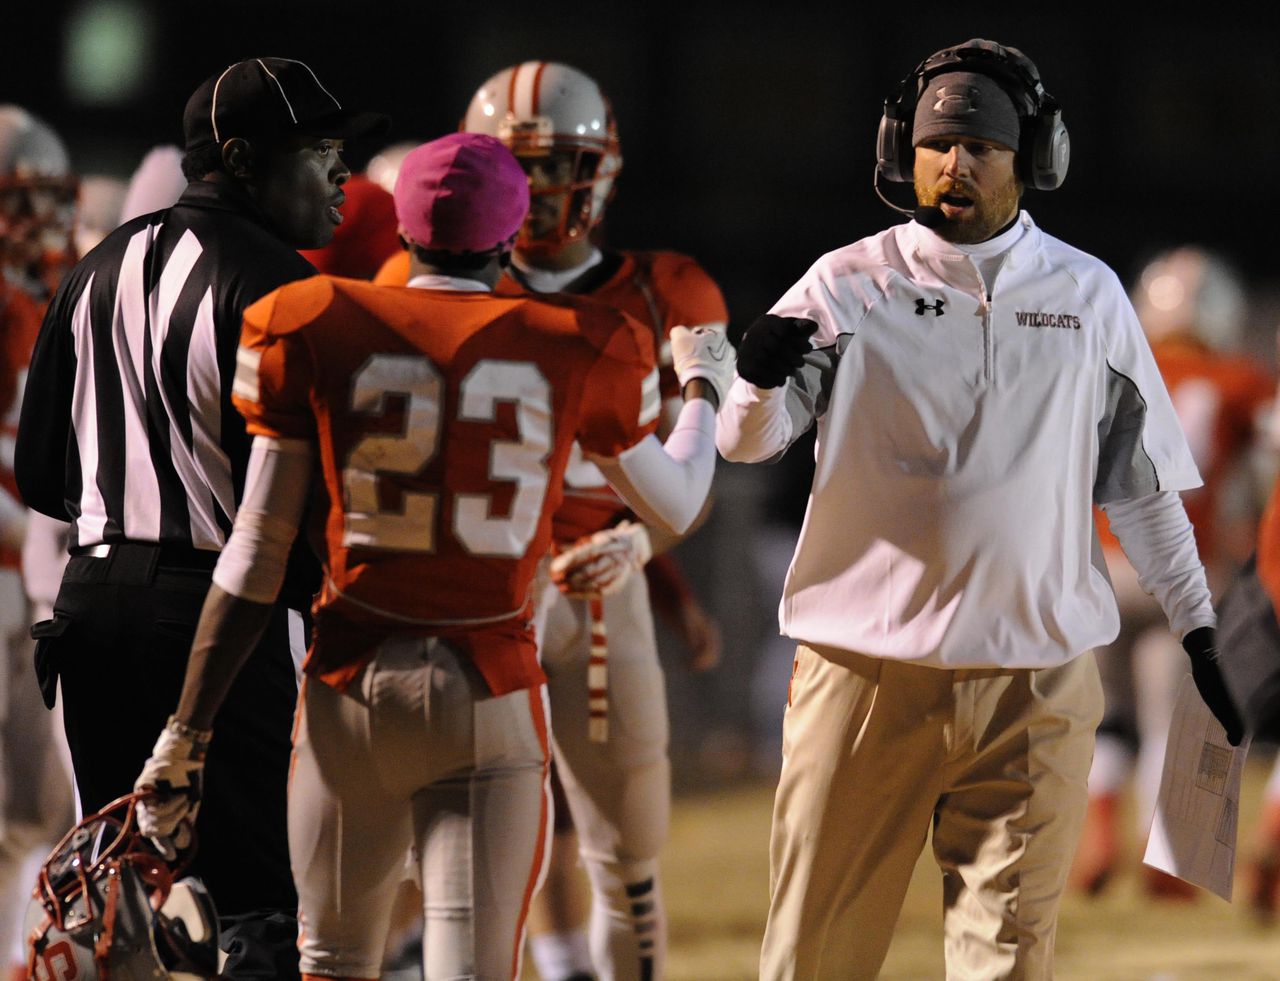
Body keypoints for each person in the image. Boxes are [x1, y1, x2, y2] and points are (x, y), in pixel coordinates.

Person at [130, 131, 734, 981]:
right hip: (490, 687)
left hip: (349, 691)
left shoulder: (313, 320)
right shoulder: (578, 338)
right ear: (509, 232)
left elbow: (256, 550)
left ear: (404, 230)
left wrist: (186, 731)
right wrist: (703, 387)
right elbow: (675, 498)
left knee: (332, 961)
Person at [715, 38, 1243, 979]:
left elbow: (1144, 488)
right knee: (815, 955)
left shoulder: (1090, 295)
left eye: (981, 146)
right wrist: (752, 386)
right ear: (900, 152)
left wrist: (1200, 630)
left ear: (1034, 160)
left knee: (1006, 963)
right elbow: (746, 444)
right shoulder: (846, 281)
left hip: (1035, 684)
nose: (953, 164)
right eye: (934, 144)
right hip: (866, 673)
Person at [14, 57, 387, 978]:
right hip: (224, 615)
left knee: (119, 903)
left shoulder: (96, 267)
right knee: (255, 906)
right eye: (318, 151)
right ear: (240, 158)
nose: (342, 174)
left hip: (92, 605)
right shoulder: (290, 291)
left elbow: (39, 476)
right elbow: (309, 497)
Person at [458, 60, 729, 981]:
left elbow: (693, 467)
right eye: (515, 165)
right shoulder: (426, 286)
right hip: (480, 594)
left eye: (555, 164)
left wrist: (646, 548)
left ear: (601, 167)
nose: (536, 190)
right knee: (472, 848)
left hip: (599, 585)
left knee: (627, 850)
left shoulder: (669, 292)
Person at [1071, 247, 1273, 900]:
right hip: (1182, 571)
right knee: (1169, 720)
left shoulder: (1107, 365)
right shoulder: (1237, 380)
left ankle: (1100, 834)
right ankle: (1170, 854)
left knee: (1107, 717)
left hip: (1100, 562)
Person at [0, 103, 77, 981]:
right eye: (21, 202)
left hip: (35, 579)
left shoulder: (43, 296)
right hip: (13, 571)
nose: (42, 223)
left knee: (37, 807)